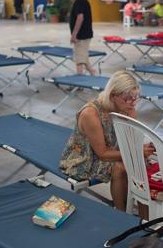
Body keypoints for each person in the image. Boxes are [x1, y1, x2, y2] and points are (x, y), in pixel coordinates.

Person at [59, 71, 154, 212]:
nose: (133, 103)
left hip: (111, 152)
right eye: (128, 98)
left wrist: (141, 148)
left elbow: (131, 142)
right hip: (85, 159)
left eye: (136, 98)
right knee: (121, 167)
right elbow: (102, 153)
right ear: (113, 96)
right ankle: (121, 213)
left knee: (141, 163)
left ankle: (145, 216)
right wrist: (136, 152)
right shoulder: (91, 113)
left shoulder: (128, 109)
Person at [68, 0, 95, 75]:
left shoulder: (79, 1)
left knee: (79, 60)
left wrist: (74, 35)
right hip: (84, 34)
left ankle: (79, 84)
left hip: (82, 36)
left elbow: (80, 18)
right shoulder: (82, 0)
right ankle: (94, 75)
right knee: (84, 58)